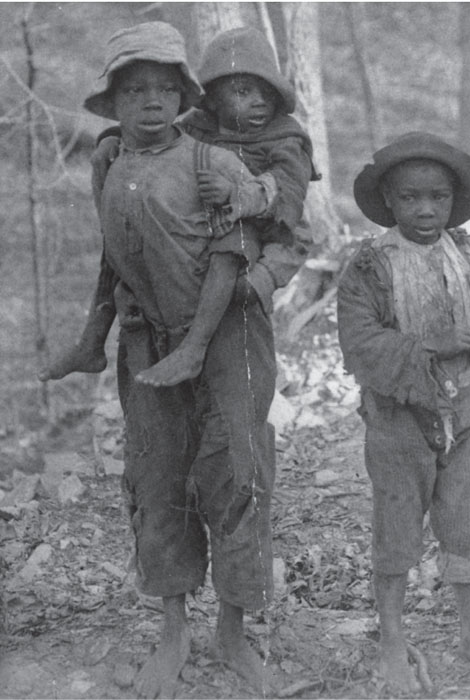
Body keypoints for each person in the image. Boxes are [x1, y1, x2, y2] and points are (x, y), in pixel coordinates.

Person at [42, 22, 314, 699]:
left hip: (227, 340)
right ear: (115, 102)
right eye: (135, 91)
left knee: (234, 474)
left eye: (166, 88)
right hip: (147, 342)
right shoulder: (109, 162)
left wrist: (195, 347)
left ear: (182, 96)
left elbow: (231, 257)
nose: (151, 103)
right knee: (156, 477)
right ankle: (173, 630)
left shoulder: (211, 164)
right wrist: (92, 337)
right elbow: (115, 257)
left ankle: (231, 630)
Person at [39, 25, 316, 387]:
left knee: (241, 287)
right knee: (121, 240)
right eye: (243, 92)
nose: (259, 102)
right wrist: (115, 140)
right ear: (213, 98)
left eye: (266, 93)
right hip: (218, 218)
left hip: (277, 229)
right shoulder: (202, 126)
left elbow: (286, 192)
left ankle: (198, 348)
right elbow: (164, 133)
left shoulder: (285, 139)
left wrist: (237, 196)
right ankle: (92, 339)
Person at [337, 132, 470, 692]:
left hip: (467, 408)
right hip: (399, 418)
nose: (425, 209)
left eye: (437, 197)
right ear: (388, 200)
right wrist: (434, 344)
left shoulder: (464, 251)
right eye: (410, 198)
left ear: (452, 200)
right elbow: (361, 345)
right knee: (396, 524)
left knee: (469, 517)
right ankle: (391, 638)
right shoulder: (370, 266)